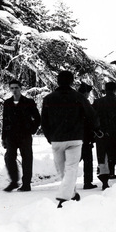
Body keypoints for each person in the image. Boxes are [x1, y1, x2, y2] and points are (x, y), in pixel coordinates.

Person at [41, 71, 99, 207]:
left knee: (62, 170)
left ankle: (68, 194)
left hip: (56, 139)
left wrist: (50, 137)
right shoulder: (79, 97)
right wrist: (95, 129)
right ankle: (67, 195)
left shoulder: (48, 99)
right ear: (72, 81)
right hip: (75, 138)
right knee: (71, 168)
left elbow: (44, 121)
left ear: (58, 81)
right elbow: (92, 116)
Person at [2, 80, 41, 192]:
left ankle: (26, 184)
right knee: (9, 158)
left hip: (25, 135)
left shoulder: (28, 102)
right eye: (12, 88)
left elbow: (37, 118)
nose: (14, 90)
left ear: (20, 88)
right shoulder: (7, 103)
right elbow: (4, 120)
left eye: (16, 88)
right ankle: (14, 181)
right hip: (11, 135)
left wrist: (31, 129)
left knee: (27, 159)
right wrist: (3, 138)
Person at [93, 82, 116, 189]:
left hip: (102, 134)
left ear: (105, 90)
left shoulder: (97, 102)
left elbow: (94, 118)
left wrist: (97, 131)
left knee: (103, 157)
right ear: (115, 90)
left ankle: (105, 182)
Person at [77, 82, 98, 189]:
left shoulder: (73, 100)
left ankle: (69, 182)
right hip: (85, 135)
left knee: (74, 160)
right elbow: (91, 118)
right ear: (86, 93)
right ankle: (87, 182)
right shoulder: (85, 102)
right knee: (87, 160)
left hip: (74, 135)